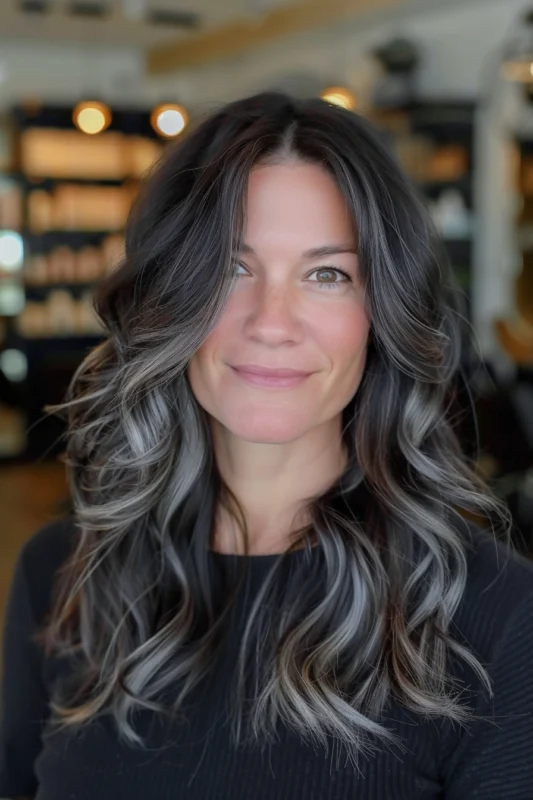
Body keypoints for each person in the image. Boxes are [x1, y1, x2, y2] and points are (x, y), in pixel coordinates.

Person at [1, 91, 532, 800]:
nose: (270, 321)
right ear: (168, 295)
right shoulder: (61, 577)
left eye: (326, 275)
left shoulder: (494, 614)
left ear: (383, 316)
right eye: (230, 267)